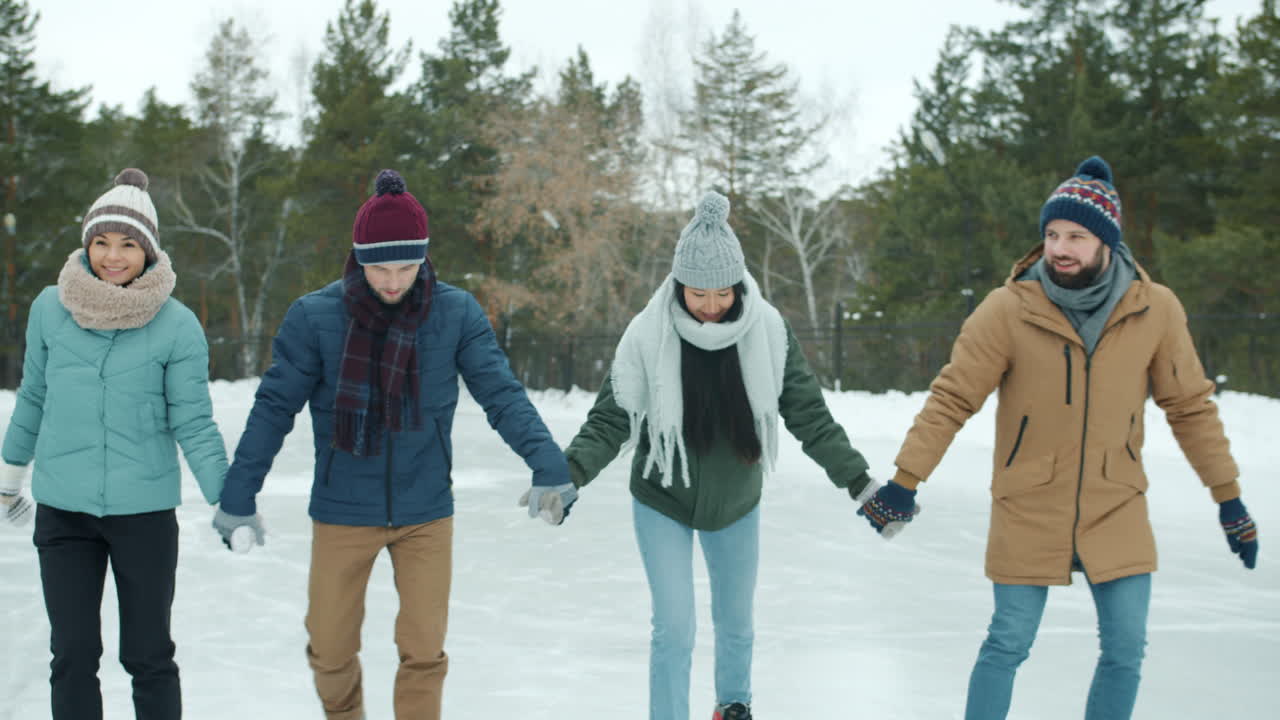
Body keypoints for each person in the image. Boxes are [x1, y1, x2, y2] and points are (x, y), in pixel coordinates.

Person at [859, 156, 1260, 720]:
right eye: (1052, 234)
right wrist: (905, 481)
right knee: (1007, 642)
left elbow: (1190, 407)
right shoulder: (1008, 310)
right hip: (1029, 501)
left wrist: (1229, 499)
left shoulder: (1155, 310)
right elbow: (952, 398)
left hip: (1115, 500)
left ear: (1107, 242)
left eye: (1076, 235)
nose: (1060, 247)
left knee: (1125, 651)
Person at [213, 169, 574, 720]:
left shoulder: (455, 314)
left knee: (424, 651)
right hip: (342, 509)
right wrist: (238, 497)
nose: (392, 280)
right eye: (379, 266)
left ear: (424, 259)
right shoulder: (315, 317)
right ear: (358, 258)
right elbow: (272, 411)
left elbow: (501, 394)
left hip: (425, 509)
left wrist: (548, 464)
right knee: (329, 650)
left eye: (406, 266)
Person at [561, 191, 895, 720]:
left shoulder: (767, 331)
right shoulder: (649, 333)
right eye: (698, 293)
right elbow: (613, 416)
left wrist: (861, 484)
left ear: (739, 285)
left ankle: (732, 706)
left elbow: (809, 415)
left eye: (723, 293)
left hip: (737, 499)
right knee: (674, 627)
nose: (712, 306)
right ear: (678, 285)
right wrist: (569, 473)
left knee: (736, 621)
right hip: (662, 496)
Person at [0, 168, 229, 720]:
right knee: (72, 654)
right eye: (101, 242)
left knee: (149, 655)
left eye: (128, 243)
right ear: (87, 243)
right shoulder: (50, 309)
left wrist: (230, 498)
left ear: (148, 251)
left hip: (144, 515)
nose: (113, 255)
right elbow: (33, 397)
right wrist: (9, 478)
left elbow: (194, 422)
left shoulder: (177, 325)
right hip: (64, 513)